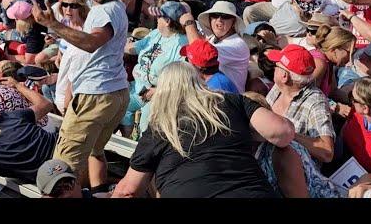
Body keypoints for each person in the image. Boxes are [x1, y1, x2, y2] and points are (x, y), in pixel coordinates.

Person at [111, 62, 295, 198]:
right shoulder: (232, 102)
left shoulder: (161, 126)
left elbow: (129, 190)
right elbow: (282, 131)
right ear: (199, 81)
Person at [31, 0, 129, 192]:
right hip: (114, 94)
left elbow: (92, 43)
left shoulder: (105, 10)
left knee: (61, 170)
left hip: (95, 96)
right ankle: (100, 193)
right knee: (95, 151)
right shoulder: (113, 9)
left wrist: (53, 24)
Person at [121, 1, 188, 138]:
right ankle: (126, 143)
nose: (155, 19)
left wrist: (158, 91)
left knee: (147, 122)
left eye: (159, 17)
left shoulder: (182, 43)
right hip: (138, 87)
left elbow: (182, 80)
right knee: (120, 104)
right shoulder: (155, 34)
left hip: (160, 93)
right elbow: (133, 48)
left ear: (168, 21)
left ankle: (139, 151)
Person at [180, 1, 249, 93]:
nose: (219, 19)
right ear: (210, 19)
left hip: (227, 98)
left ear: (233, 22)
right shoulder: (212, 38)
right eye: (215, 15)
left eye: (225, 16)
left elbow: (201, 54)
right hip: (208, 92)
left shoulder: (238, 44)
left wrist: (189, 23)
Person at [53, 0, 89, 115]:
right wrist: (59, 55)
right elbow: (63, 45)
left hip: (72, 86)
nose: (68, 9)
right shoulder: (65, 23)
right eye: (65, 4)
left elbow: (76, 70)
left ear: (81, 8)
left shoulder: (84, 31)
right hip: (62, 76)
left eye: (73, 6)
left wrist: (68, 102)